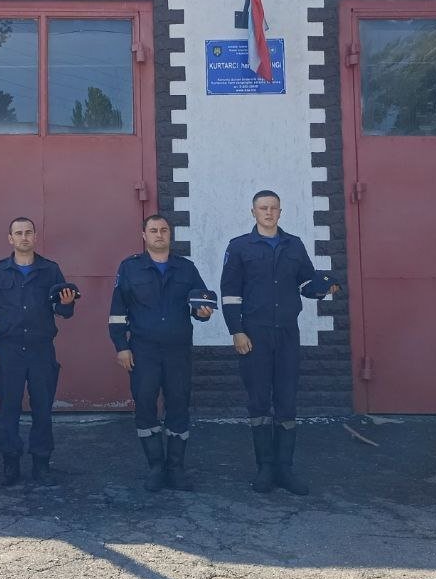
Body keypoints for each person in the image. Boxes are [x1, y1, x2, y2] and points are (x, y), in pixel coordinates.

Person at [220, 190, 338, 496]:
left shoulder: (294, 245)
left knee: (286, 400)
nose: (269, 212)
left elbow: (306, 282)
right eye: (263, 208)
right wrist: (236, 331)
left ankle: (285, 469)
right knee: (259, 400)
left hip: (287, 333)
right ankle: (265, 468)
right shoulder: (239, 247)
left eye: (273, 208)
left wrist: (323, 289)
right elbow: (230, 294)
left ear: (280, 212)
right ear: (254, 212)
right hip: (254, 334)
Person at [108, 214, 215, 493]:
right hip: (143, 351)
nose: (159, 234)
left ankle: (175, 468)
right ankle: (156, 466)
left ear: (170, 234)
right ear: (144, 235)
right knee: (145, 404)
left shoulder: (186, 269)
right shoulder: (130, 268)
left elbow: (199, 304)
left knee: (179, 404)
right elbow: (117, 312)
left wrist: (203, 313)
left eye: (164, 230)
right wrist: (121, 347)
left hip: (178, 351)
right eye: (153, 230)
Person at [0, 217, 77, 486]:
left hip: (40, 350)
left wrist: (67, 304)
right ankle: (10, 463)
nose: (24, 237)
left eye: (28, 232)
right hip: (8, 351)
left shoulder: (50, 270)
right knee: (9, 409)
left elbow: (63, 310)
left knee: (42, 409)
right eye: (18, 233)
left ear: (35, 236)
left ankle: (41, 463)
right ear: (10, 238)